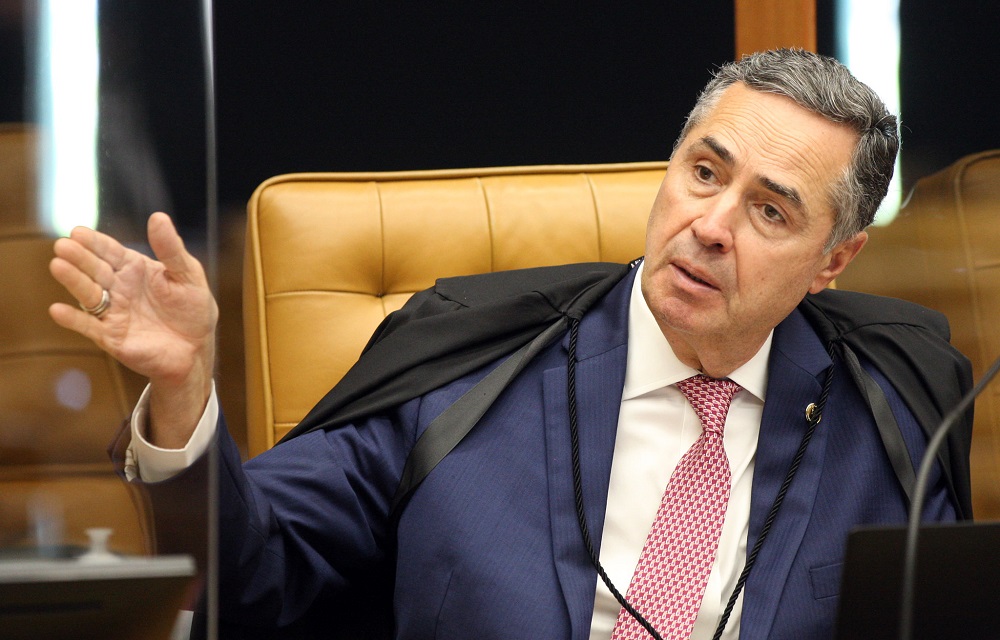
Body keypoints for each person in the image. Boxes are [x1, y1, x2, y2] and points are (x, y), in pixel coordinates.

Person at [48, 49, 972, 640]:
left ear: (833, 260)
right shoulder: (470, 364)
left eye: (769, 211)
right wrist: (184, 390)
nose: (710, 226)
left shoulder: (891, 411)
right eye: (703, 173)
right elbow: (254, 573)